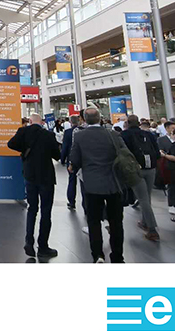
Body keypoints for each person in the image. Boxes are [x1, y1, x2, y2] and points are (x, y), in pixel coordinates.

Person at [68, 107, 128, 263]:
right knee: (116, 222)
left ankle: (98, 255)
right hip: (114, 183)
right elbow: (125, 154)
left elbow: (75, 159)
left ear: (84, 119)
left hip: (92, 184)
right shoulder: (113, 134)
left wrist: (73, 167)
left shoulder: (80, 136)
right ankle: (117, 257)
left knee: (93, 221)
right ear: (100, 118)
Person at [7, 113, 61, 259]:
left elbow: (10, 144)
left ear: (30, 121)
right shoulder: (48, 135)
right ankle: (43, 246)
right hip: (46, 177)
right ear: (42, 122)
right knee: (46, 211)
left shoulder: (23, 131)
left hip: (30, 175)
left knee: (32, 209)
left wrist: (23, 150)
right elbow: (57, 155)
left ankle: (29, 242)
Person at [120, 115, 161, 242]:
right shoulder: (148, 134)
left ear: (127, 123)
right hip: (151, 168)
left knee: (143, 198)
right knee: (146, 197)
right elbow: (157, 153)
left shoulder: (124, 135)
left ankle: (152, 229)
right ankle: (144, 221)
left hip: (135, 170)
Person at [61, 115, 83, 210]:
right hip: (82, 159)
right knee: (83, 181)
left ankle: (71, 201)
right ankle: (86, 204)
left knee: (72, 180)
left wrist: (62, 159)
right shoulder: (83, 131)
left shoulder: (67, 132)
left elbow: (65, 147)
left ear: (70, 122)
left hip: (71, 159)